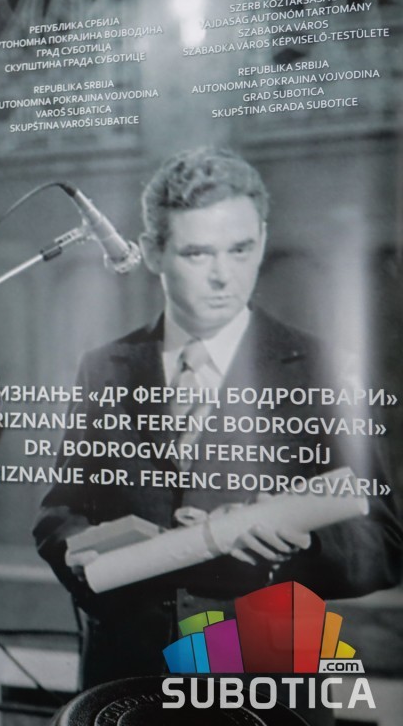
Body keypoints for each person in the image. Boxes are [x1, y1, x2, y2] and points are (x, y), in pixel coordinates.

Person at [33, 146, 402, 690]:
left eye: (241, 249)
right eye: (198, 254)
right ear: (153, 253)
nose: (224, 276)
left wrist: (304, 544)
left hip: (266, 678)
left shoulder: (322, 367)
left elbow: (385, 541)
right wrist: (88, 555)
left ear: (263, 241)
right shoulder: (106, 365)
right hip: (128, 671)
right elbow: (59, 512)